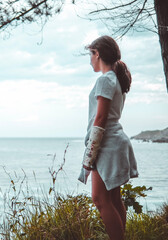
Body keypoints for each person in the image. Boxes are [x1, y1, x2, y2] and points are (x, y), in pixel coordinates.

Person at [78, 35, 139, 240]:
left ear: (98, 54)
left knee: (100, 199)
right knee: (113, 198)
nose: (90, 60)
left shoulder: (105, 79)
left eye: (91, 54)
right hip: (116, 141)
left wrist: (90, 153)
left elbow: (101, 117)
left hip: (107, 144)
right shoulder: (116, 78)